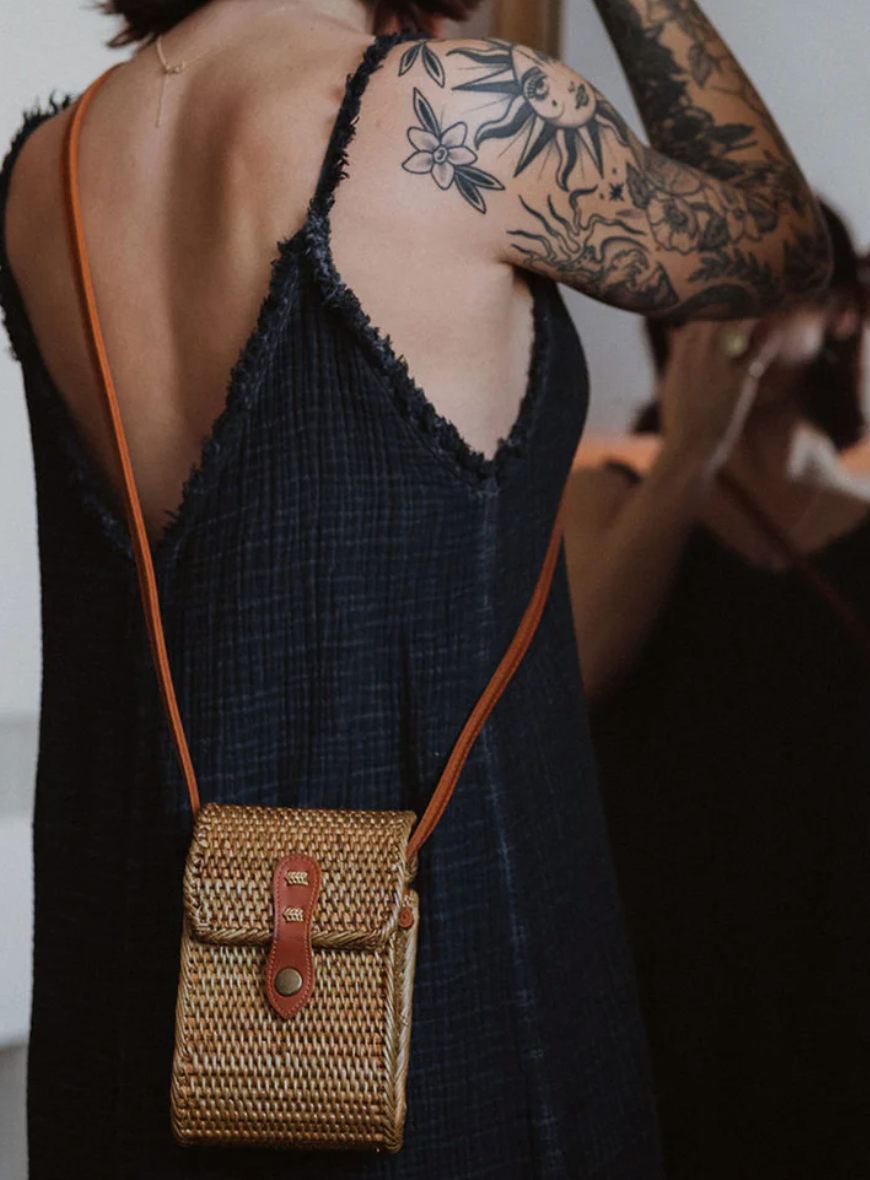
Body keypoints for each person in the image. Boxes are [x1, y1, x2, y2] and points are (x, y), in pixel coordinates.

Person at [0, 0, 830, 1175]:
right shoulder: (461, 116)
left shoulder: (49, 167)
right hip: (445, 1001)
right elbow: (781, 241)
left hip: (139, 1005)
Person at [566, 203, 870, 1180]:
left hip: (835, 974)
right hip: (653, 970)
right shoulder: (601, 497)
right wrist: (692, 448)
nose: (730, 301)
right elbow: (581, 669)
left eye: (767, 274)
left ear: (842, 310)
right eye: (702, 279)